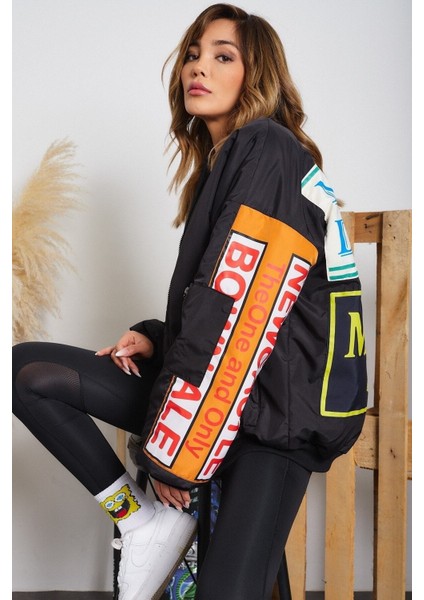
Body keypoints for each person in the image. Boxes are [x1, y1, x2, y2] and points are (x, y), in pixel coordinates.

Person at [12, 4, 368, 600]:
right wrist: (158, 336)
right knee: (27, 372)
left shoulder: (268, 149)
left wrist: (178, 455)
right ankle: (140, 523)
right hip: (227, 397)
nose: (198, 68)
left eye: (223, 56)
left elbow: (240, 306)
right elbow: (226, 297)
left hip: (273, 420)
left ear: (256, 75)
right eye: (193, 55)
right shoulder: (230, 162)